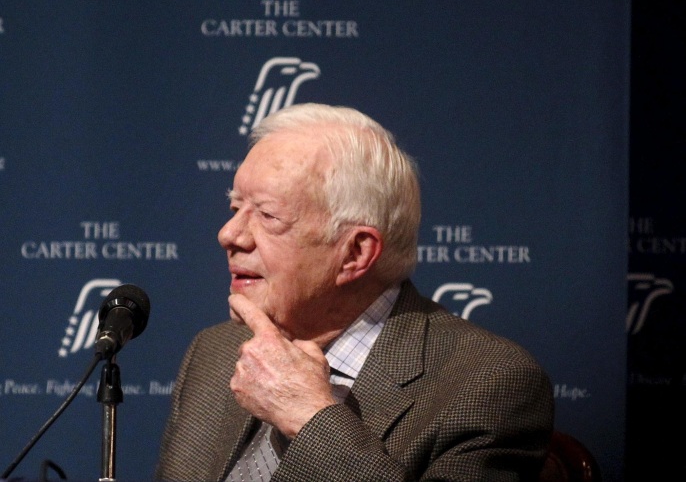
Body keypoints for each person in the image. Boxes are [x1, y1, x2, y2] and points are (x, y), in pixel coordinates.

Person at [155, 103, 554, 481]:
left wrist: (310, 417)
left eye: (267, 215)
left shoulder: (487, 383)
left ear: (355, 253)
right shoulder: (215, 352)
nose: (229, 235)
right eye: (235, 207)